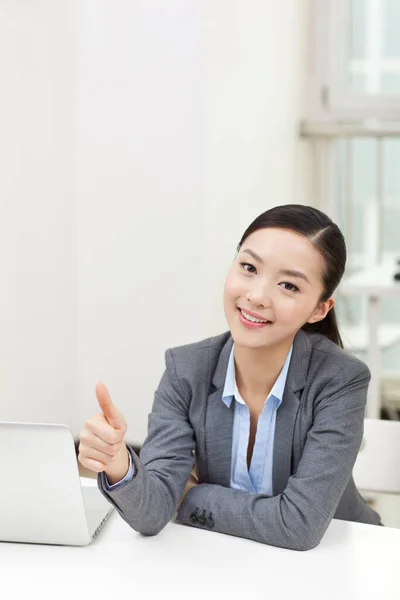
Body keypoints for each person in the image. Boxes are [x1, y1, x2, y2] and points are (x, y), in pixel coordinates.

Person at [78, 204, 382, 551]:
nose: (256, 296)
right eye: (249, 267)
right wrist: (117, 463)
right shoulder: (186, 369)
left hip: (345, 561)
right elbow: (152, 514)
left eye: (288, 285)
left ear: (319, 309)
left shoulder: (341, 380)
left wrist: (192, 497)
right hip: (227, 562)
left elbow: (299, 526)